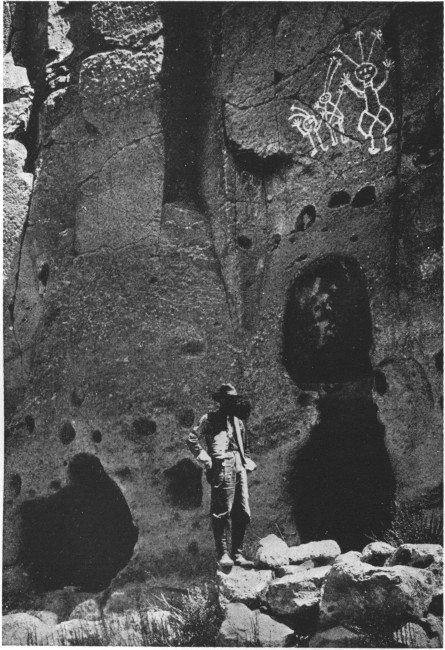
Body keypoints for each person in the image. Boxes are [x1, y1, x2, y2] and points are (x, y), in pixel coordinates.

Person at [187, 383, 256, 568]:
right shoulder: (209, 419)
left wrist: (246, 461)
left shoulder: (238, 421)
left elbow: (245, 447)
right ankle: (223, 554)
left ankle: (237, 554)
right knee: (222, 511)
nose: (232, 403)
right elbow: (192, 439)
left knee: (242, 511)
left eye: (234, 399)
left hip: (239, 466)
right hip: (221, 465)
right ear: (221, 401)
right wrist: (207, 459)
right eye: (228, 400)